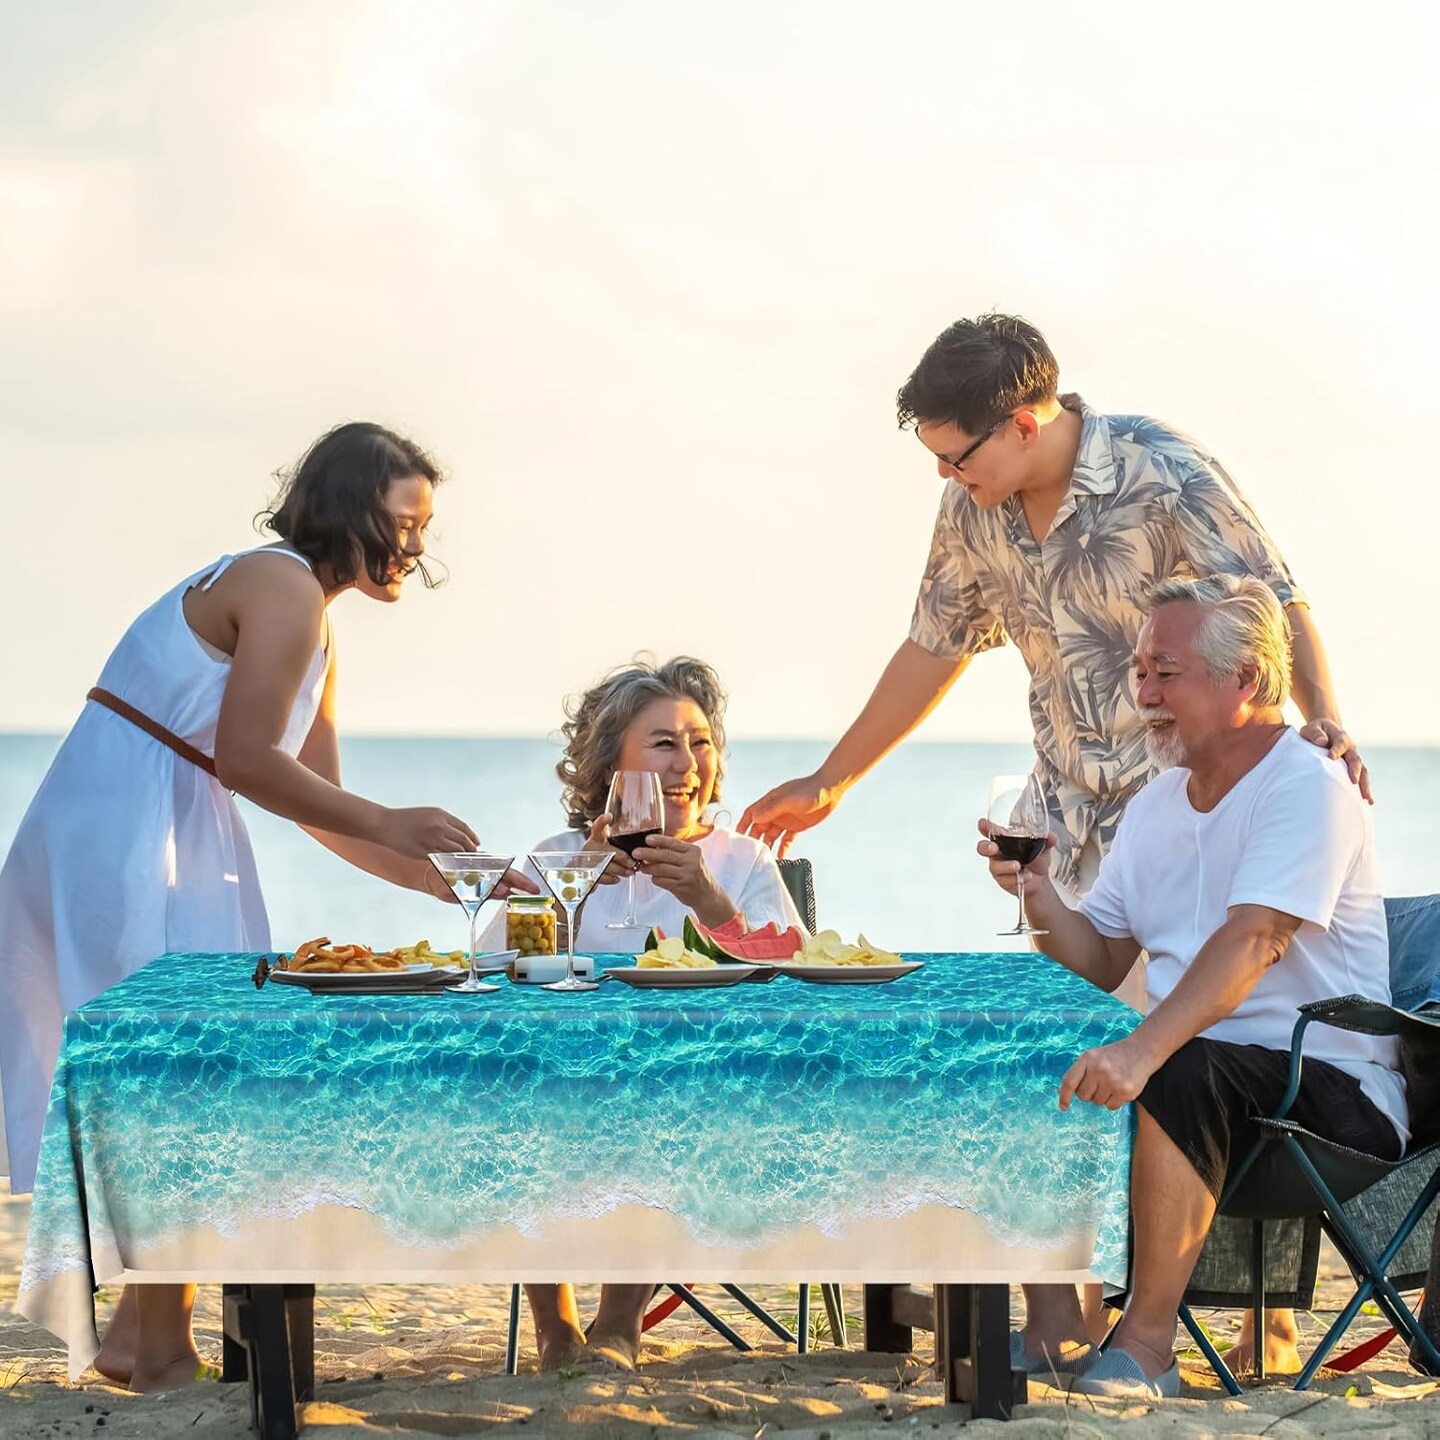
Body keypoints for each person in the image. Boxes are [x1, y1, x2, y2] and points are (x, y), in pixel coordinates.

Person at [739, 311, 1366, 1370]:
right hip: (1078, 829)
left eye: (957, 453)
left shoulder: (1160, 473)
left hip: (1211, 801)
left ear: (1024, 423)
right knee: (1060, 1059)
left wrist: (1322, 720)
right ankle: (1064, 1318)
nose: (946, 476)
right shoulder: (971, 511)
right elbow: (932, 645)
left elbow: (1278, 595)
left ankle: (1256, 1310)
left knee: (1219, 1035)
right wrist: (833, 778)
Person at [0, 421, 515, 1393]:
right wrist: (390, 818)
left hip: (163, 820)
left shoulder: (311, 613)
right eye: (406, 521)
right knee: (182, 1074)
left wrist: (477, 879)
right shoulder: (279, 582)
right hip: (130, 829)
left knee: (184, 1078)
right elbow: (247, 763)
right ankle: (145, 1343)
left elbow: (325, 808)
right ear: (349, 508)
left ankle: (142, 1335)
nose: (418, 546)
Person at [978, 574, 1405, 1398]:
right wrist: (1036, 895)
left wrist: (1140, 1051)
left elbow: (1257, 941)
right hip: (1203, 1078)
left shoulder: (1308, 786)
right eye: (1139, 672)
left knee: (1177, 1061)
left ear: (1244, 680)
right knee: (1021, 1048)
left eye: (1164, 673)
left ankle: (1146, 1348)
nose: (1143, 695)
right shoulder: (1155, 805)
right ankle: (1061, 1319)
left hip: (1328, 1092)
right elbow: (1100, 956)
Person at [511, 656, 804, 1371]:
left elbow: (795, 979)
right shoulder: (556, 857)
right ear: (613, 762)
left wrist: (708, 900)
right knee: (517, 1096)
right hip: (562, 1091)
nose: (688, 763)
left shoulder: (743, 862)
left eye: (700, 741)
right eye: (664, 743)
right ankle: (554, 1326)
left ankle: (619, 1323)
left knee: (656, 1098)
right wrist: (574, 886)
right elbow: (499, 972)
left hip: (704, 1097)